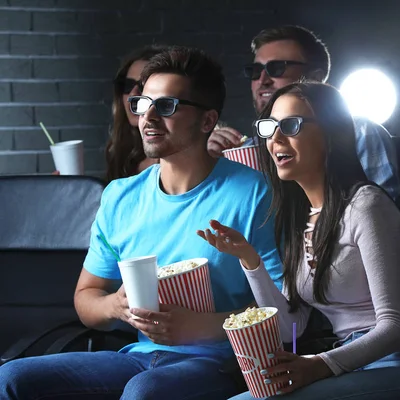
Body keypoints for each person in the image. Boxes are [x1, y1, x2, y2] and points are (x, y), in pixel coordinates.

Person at [0, 46, 283, 400]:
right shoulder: (120, 197)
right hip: (139, 358)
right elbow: (86, 298)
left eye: (166, 106)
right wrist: (115, 306)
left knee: (144, 392)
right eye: (142, 104)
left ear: (207, 121)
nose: (148, 117)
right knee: (9, 378)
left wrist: (202, 327)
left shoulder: (253, 192)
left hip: (224, 362)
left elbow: (285, 310)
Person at [199, 81, 400, 400]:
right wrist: (249, 260)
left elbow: (394, 328)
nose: (275, 138)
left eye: (290, 125)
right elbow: (287, 329)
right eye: (269, 127)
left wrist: (318, 366)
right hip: (352, 364)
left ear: (331, 134)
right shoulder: (300, 220)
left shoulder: (366, 206)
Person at [208, 25, 400, 201]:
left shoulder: (359, 130)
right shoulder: (246, 148)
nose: (263, 80)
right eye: (255, 71)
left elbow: (381, 211)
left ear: (315, 78)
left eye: (277, 68)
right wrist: (204, 164)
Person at [105, 44, 167, 183]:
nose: (133, 95)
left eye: (143, 86)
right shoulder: (121, 151)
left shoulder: (193, 151)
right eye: (127, 86)